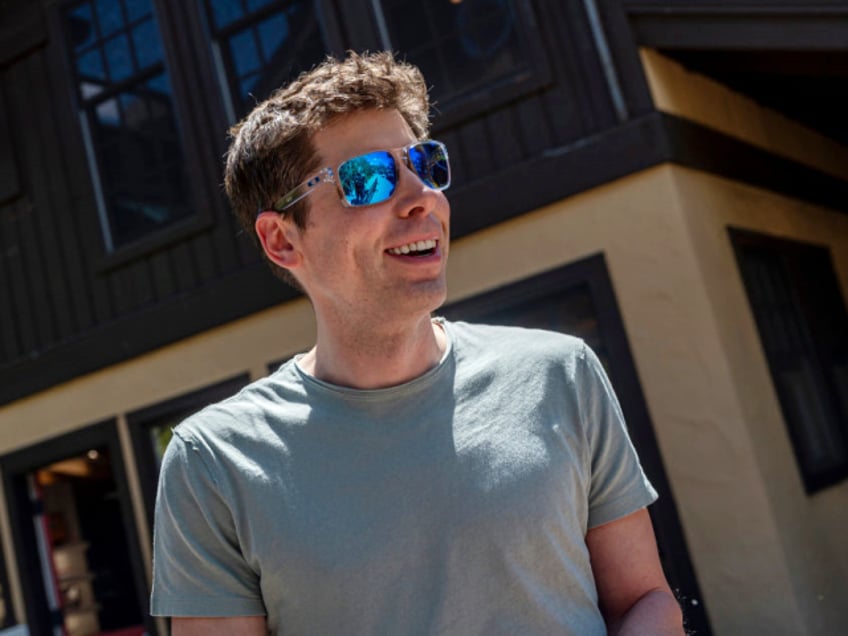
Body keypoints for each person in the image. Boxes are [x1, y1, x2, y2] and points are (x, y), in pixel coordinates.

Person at [150, 51, 684, 635]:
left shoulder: (563, 374)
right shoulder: (213, 463)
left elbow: (644, 603)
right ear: (282, 240)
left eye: (426, 164)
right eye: (368, 178)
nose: (421, 196)